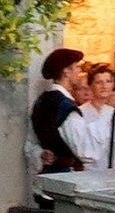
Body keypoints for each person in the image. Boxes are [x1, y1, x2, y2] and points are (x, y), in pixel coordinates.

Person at [29, 46, 87, 175]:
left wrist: (41, 153)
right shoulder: (66, 106)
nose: (79, 70)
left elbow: (30, 143)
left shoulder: (41, 101)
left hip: (45, 177)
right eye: (76, 66)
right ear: (66, 71)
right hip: (67, 177)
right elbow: (81, 150)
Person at [64, 62, 115, 171]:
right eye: (99, 82)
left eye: (108, 81)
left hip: (112, 172)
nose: (104, 86)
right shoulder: (79, 113)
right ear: (90, 85)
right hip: (88, 172)